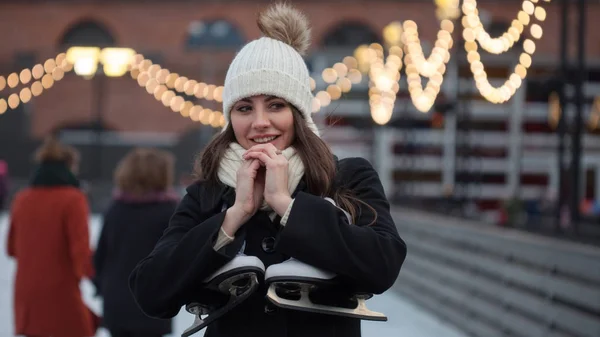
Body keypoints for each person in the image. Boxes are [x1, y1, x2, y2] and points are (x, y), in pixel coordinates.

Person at [129, 3, 407, 337]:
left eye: (275, 105)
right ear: (230, 118)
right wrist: (234, 217)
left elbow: (382, 266)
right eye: (245, 108)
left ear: (299, 113)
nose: (260, 123)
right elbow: (150, 292)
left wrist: (287, 206)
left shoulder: (346, 177)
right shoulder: (207, 194)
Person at [7, 137, 96, 337]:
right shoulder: (73, 199)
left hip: (26, 298)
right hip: (61, 295)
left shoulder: (22, 198)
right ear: (70, 165)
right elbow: (81, 254)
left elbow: (11, 248)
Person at [94, 148, 178, 337]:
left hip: (116, 300)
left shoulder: (116, 209)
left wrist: (100, 285)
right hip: (153, 300)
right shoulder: (170, 211)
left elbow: (101, 255)